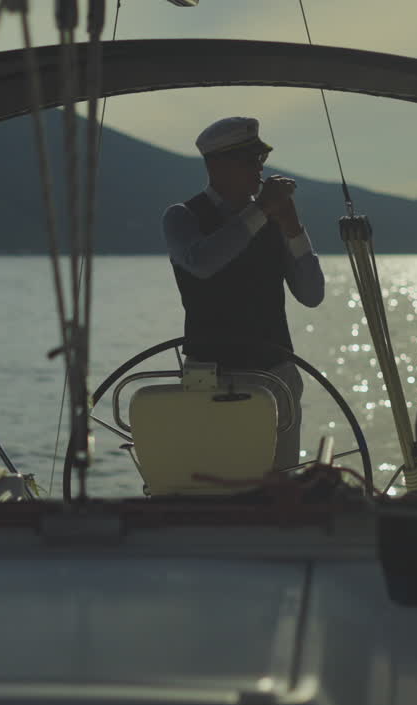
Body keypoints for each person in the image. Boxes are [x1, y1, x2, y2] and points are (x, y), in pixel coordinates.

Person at [162, 116, 325, 470]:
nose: (259, 169)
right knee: (214, 483)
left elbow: (312, 294)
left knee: (278, 484)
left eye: (260, 160)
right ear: (215, 165)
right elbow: (203, 262)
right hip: (210, 376)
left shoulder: (273, 219)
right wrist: (262, 210)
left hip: (276, 373)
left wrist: (294, 229)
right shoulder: (182, 217)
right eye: (249, 160)